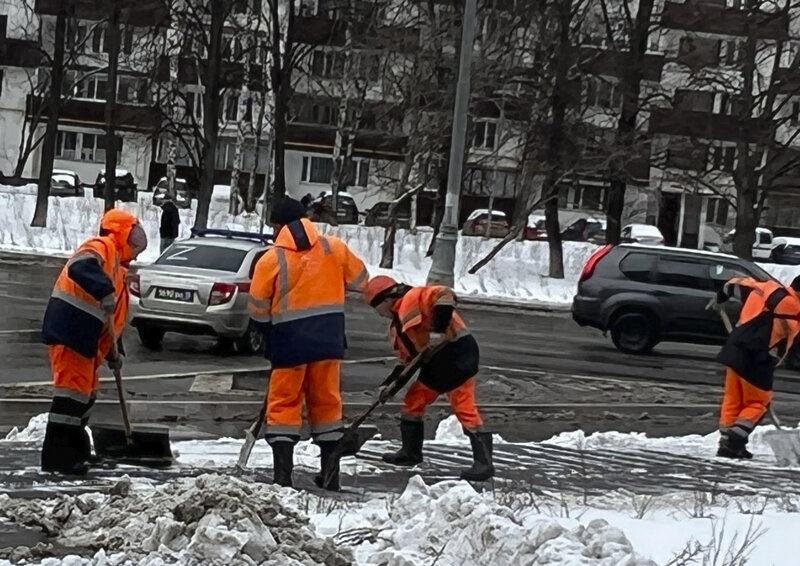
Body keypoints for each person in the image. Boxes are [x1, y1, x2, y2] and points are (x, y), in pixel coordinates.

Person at [248, 196, 368, 490]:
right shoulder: (334, 247)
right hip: (328, 340)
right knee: (327, 405)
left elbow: (258, 307)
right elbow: (362, 280)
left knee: (284, 407)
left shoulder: (271, 258)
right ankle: (330, 478)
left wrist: (263, 333)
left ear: (279, 225)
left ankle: (283, 479)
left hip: (289, 344)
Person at [40, 209, 148, 475]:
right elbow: (81, 266)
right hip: (71, 331)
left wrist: (115, 351)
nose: (136, 254)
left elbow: (114, 319)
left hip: (86, 339)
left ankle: (77, 452)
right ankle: (57, 459)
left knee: (85, 397)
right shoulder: (100, 246)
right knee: (70, 397)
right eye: (135, 244)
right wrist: (103, 289)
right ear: (122, 235)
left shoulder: (117, 269)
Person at [364, 275, 494, 481]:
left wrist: (438, 330)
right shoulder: (398, 327)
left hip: (457, 354)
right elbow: (407, 363)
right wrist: (389, 386)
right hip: (435, 363)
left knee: (464, 407)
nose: (379, 314)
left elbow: (444, 295)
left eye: (375, 307)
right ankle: (410, 453)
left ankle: (484, 463)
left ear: (385, 299)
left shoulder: (415, 296)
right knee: (413, 402)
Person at [714, 275, 800, 459]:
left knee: (733, 399)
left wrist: (721, 295)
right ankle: (733, 443)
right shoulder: (794, 309)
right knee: (758, 402)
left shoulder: (767, 288)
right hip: (757, 357)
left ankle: (727, 443)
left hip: (734, 348)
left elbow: (735, 285)